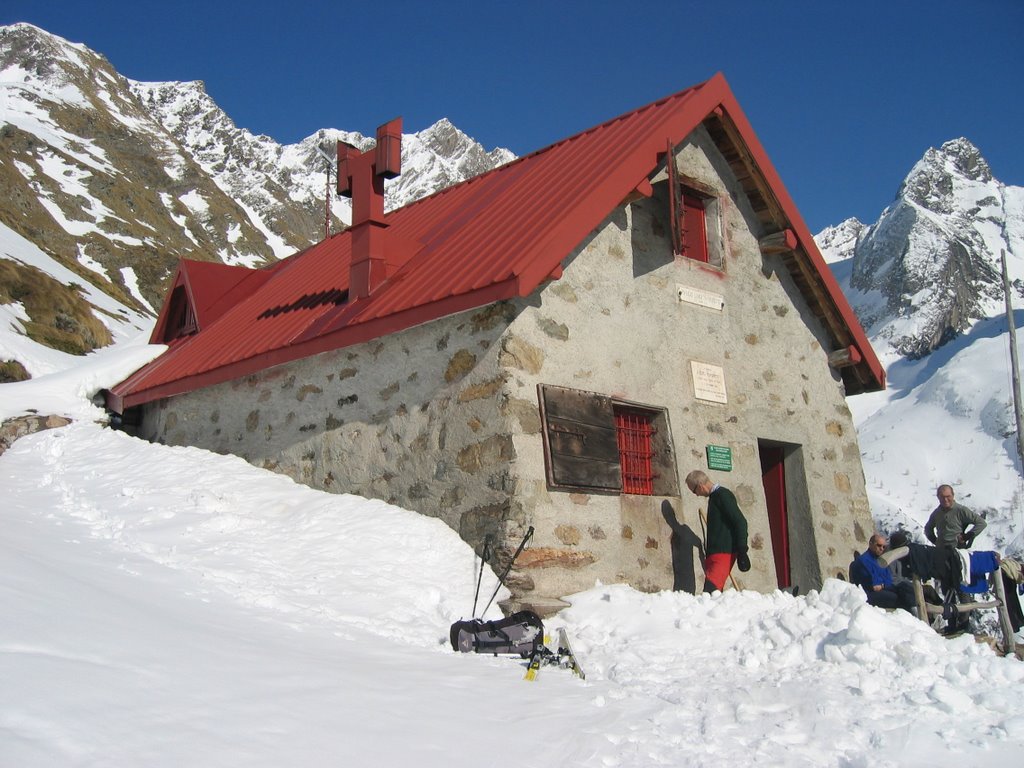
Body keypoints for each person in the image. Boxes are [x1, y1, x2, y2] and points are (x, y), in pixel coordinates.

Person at [685, 470, 749, 593]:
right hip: (716, 553)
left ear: (700, 486)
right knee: (713, 593)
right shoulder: (715, 497)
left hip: (723, 553)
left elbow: (740, 521)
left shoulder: (722, 495)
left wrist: (742, 550)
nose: (696, 495)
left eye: (694, 491)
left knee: (710, 592)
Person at [850, 533, 917, 612]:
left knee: (907, 591)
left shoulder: (881, 560)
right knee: (901, 599)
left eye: (883, 547)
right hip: (869, 594)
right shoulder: (864, 561)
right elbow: (874, 584)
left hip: (884, 589)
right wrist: (883, 584)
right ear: (870, 544)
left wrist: (882, 585)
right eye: (879, 545)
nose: (881, 549)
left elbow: (888, 579)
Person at [924, 484, 986, 549]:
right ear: (938, 497)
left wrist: (967, 536)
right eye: (942, 497)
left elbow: (981, 523)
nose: (945, 499)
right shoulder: (936, 513)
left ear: (953, 495)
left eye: (948, 496)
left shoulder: (961, 510)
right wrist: (936, 542)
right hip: (941, 551)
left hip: (958, 550)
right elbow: (928, 528)